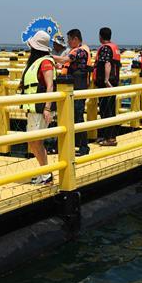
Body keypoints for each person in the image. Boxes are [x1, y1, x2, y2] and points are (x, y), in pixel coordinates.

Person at [20, 30, 56, 184]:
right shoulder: (36, 62)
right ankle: (44, 172)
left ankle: (46, 174)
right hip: (33, 108)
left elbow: (50, 86)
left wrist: (47, 108)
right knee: (33, 142)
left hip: (41, 108)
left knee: (36, 142)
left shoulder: (46, 62)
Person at [54, 28, 91, 156]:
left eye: (69, 39)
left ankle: (84, 147)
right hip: (72, 88)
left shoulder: (80, 51)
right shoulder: (77, 51)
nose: (68, 42)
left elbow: (65, 60)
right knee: (71, 117)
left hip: (78, 89)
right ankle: (70, 145)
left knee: (78, 117)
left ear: (75, 39)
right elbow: (65, 64)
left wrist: (48, 57)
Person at [93, 27, 121, 146]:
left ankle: (109, 138)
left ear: (100, 36)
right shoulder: (114, 47)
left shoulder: (105, 48)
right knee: (110, 110)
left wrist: (106, 80)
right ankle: (108, 136)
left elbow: (107, 63)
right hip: (113, 82)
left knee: (106, 111)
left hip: (107, 84)